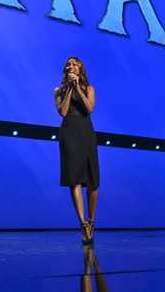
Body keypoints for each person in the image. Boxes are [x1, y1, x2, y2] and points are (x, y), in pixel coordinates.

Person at [54, 57, 99, 246]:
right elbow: (63, 112)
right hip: (69, 132)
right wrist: (70, 88)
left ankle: (91, 222)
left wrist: (78, 87)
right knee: (75, 179)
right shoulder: (59, 91)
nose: (71, 66)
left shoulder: (89, 88)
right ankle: (82, 225)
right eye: (68, 64)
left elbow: (89, 108)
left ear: (80, 69)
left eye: (74, 64)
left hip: (86, 132)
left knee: (92, 180)